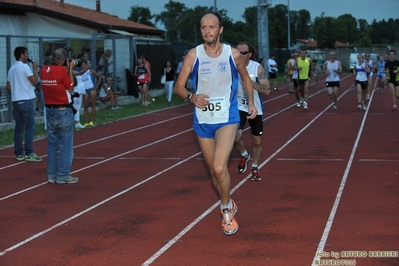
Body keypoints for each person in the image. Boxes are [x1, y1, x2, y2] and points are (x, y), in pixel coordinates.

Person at [174, 12, 257, 236]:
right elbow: (179, 87)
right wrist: (192, 98)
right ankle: (228, 200)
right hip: (202, 120)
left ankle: (225, 210)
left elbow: (246, 78)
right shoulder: (194, 55)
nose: (207, 31)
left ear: (220, 29)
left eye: (212, 27)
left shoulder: (233, 54)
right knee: (213, 170)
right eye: (203, 28)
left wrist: (250, 102)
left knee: (220, 167)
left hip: (227, 118)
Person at [40, 48, 78, 184]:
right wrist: (69, 71)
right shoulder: (62, 71)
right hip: (63, 110)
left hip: (49, 110)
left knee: (52, 145)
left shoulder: (43, 70)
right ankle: (62, 175)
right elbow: (71, 87)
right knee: (66, 145)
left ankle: (51, 175)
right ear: (63, 60)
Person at [234, 41, 270, 181]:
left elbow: (267, 91)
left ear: (249, 54)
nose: (239, 55)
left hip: (255, 108)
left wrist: (248, 81)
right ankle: (244, 155)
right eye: (237, 52)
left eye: (243, 53)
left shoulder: (257, 68)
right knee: (235, 137)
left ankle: (254, 166)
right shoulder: (231, 67)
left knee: (257, 142)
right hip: (238, 107)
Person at [6, 46, 43, 162]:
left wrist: (19, 88)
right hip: (26, 100)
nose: (28, 56)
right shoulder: (25, 67)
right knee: (30, 127)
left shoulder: (12, 68)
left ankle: (19, 153)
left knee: (19, 127)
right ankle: (29, 152)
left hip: (16, 101)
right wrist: (35, 70)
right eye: (26, 53)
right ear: (22, 55)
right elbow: (35, 82)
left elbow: (8, 86)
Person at [80, 61, 102, 127]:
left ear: (87, 65)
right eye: (82, 65)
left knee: (93, 104)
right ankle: (86, 121)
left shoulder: (90, 71)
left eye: (85, 65)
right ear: (80, 66)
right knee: (85, 106)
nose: (84, 67)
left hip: (92, 89)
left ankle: (91, 121)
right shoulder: (79, 73)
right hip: (85, 90)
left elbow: (99, 76)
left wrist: (97, 85)